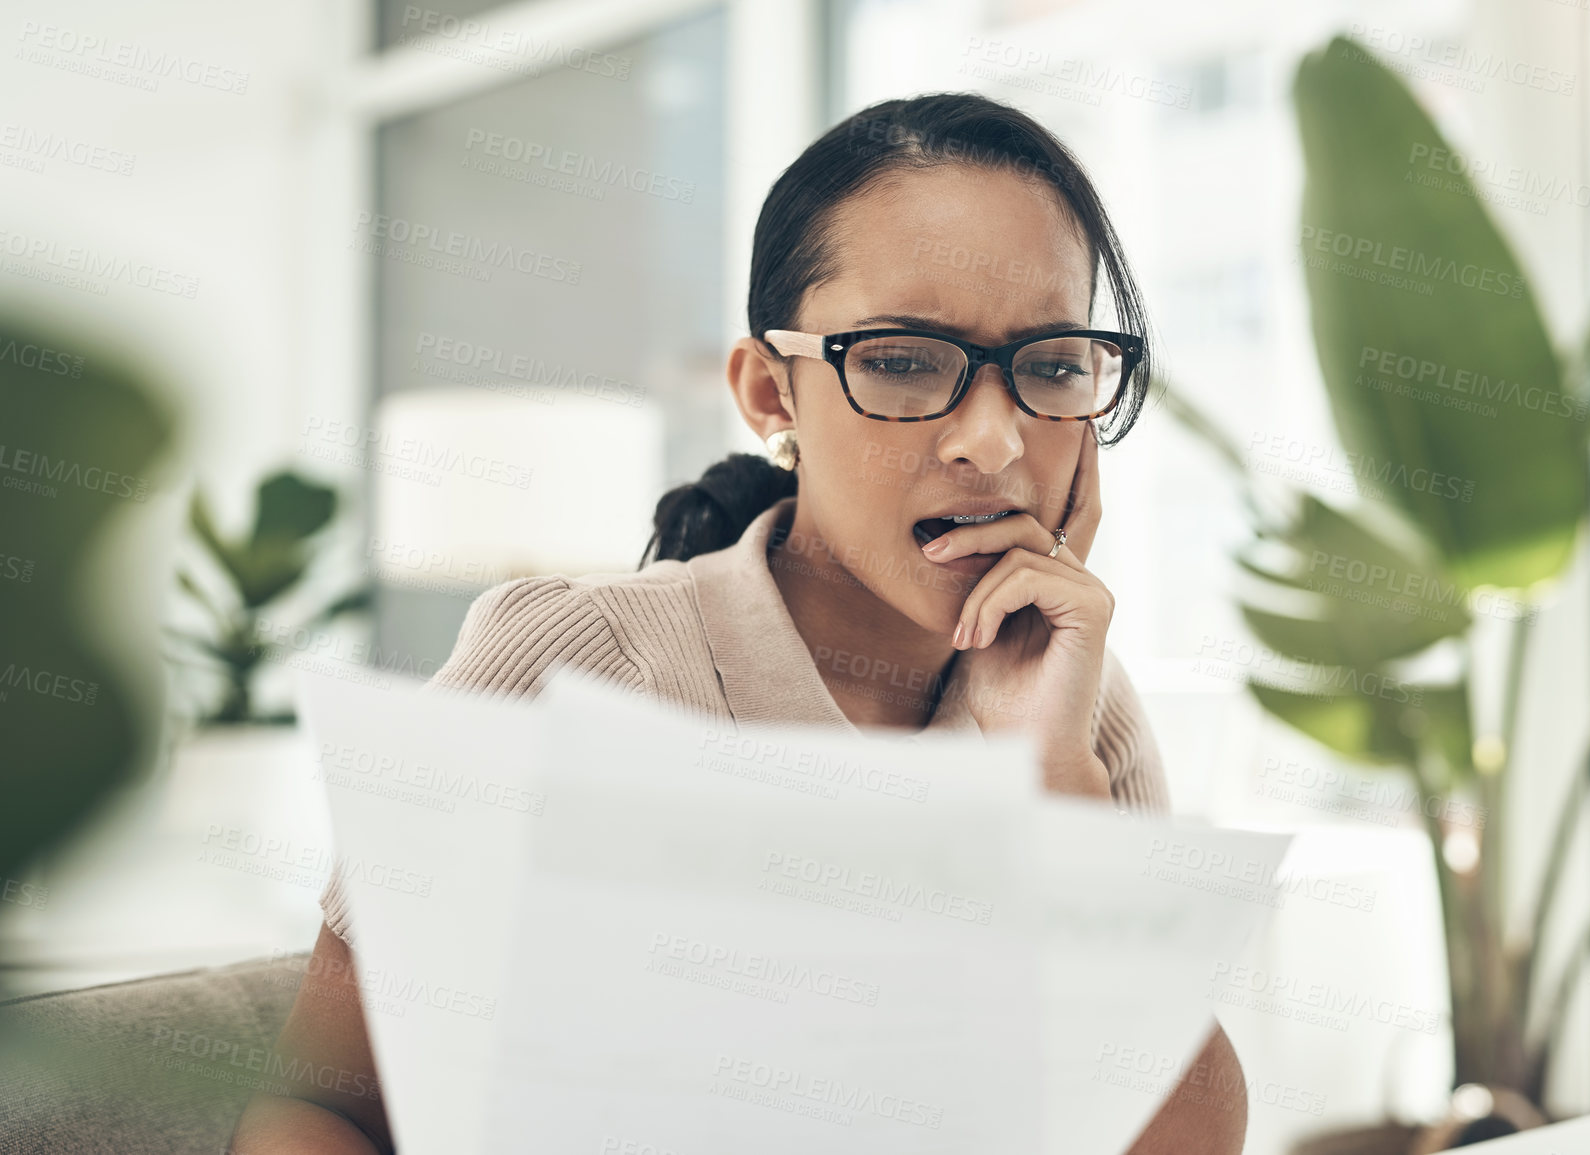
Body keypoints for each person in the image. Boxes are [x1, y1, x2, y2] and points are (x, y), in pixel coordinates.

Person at [231, 91, 1248, 1154]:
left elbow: (1176, 1127)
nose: (994, 442)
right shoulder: (568, 668)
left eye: (1049, 367)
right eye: (904, 360)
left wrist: (1052, 790)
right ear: (771, 394)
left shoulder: (1082, 710)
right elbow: (320, 1104)